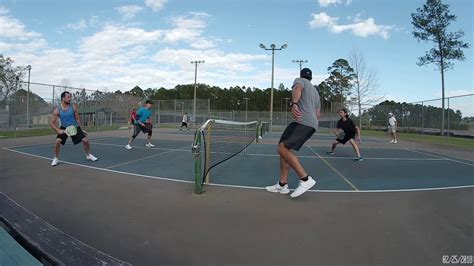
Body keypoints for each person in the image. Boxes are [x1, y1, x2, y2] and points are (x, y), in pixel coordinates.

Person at [265, 68, 320, 198]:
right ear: (311, 78)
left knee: (282, 148)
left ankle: (305, 179)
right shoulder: (316, 93)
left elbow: (297, 89)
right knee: (284, 148)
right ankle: (282, 184)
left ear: (301, 76)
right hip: (309, 123)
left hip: (303, 122)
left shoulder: (299, 81)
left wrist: (294, 103)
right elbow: (318, 113)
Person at [50, 91, 98, 166]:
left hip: (74, 127)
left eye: (70, 97)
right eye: (68, 97)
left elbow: (78, 119)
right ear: (63, 98)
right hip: (64, 128)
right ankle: (56, 158)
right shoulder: (57, 110)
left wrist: (82, 129)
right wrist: (58, 130)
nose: (70, 99)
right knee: (57, 141)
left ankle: (88, 155)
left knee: (85, 140)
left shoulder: (73, 107)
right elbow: (52, 123)